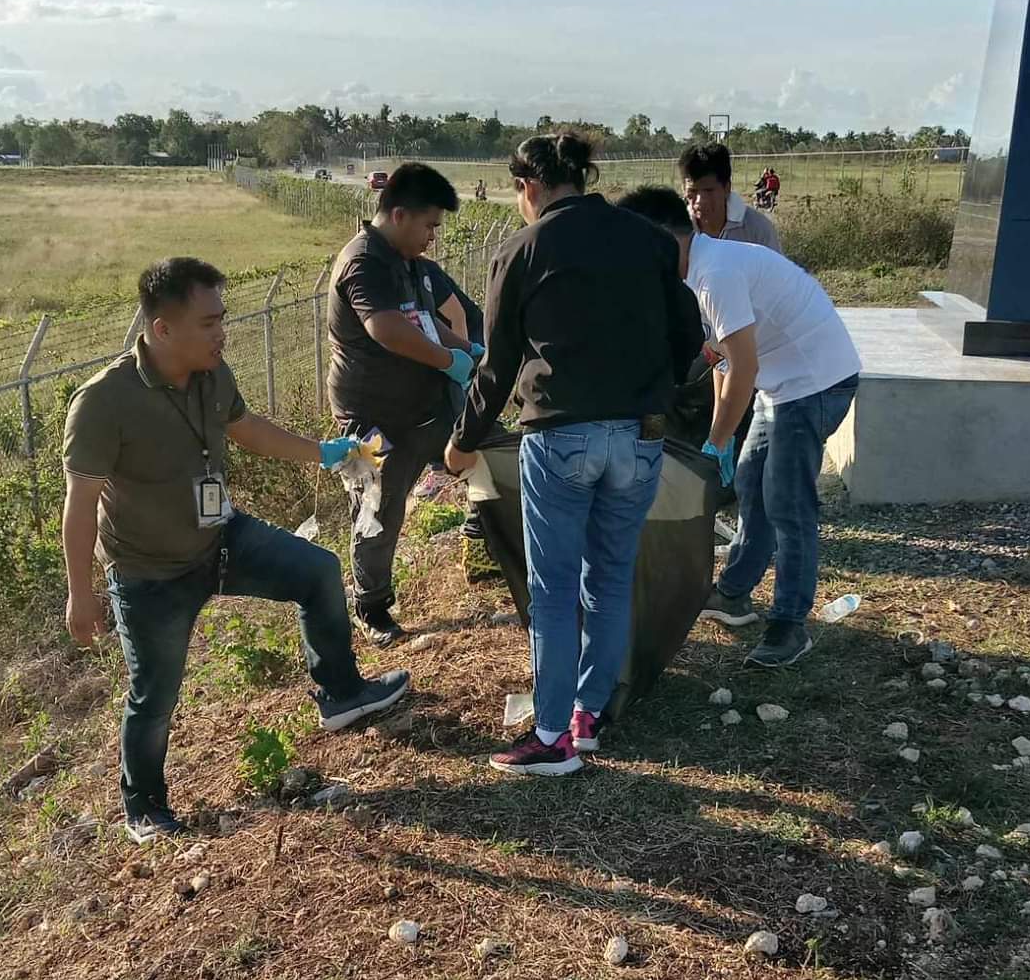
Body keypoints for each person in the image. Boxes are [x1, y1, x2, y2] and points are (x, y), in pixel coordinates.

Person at [62, 257, 409, 845]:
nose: (222, 332)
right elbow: (79, 504)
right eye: (208, 322)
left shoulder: (212, 372)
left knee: (318, 571)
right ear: (161, 328)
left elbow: (248, 430)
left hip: (221, 538)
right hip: (150, 575)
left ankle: (343, 694)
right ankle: (143, 804)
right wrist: (80, 593)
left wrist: (325, 451)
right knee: (156, 692)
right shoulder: (102, 402)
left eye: (223, 318)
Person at [444, 132, 703, 775]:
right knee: (610, 577)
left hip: (560, 436)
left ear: (528, 186)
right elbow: (689, 330)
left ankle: (553, 735)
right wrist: (658, 393)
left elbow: (498, 365)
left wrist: (463, 441)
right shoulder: (645, 237)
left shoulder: (523, 249)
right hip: (641, 436)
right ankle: (589, 716)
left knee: (554, 588)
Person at [613, 187, 859, 669]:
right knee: (752, 484)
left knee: (788, 502)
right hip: (779, 381)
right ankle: (733, 594)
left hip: (815, 380)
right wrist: (715, 431)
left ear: (662, 238)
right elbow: (724, 358)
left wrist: (717, 441)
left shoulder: (715, 274)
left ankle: (790, 625)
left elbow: (742, 365)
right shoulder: (693, 272)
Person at [327, 163, 483, 646]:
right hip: (367, 418)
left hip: (422, 409)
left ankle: (486, 555)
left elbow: (424, 322)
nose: (433, 236)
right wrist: (447, 361)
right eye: (430, 225)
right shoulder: (364, 262)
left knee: (485, 459)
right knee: (375, 508)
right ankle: (370, 605)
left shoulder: (406, 260)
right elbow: (387, 329)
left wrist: (469, 352)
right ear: (398, 215)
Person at [679, 142, 781, 250]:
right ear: (683, 190)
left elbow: (776, 266)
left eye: (709, 191)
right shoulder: (676, 231)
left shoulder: (757, 229)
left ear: (727, 188)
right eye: (693, 191)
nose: (700, 201)